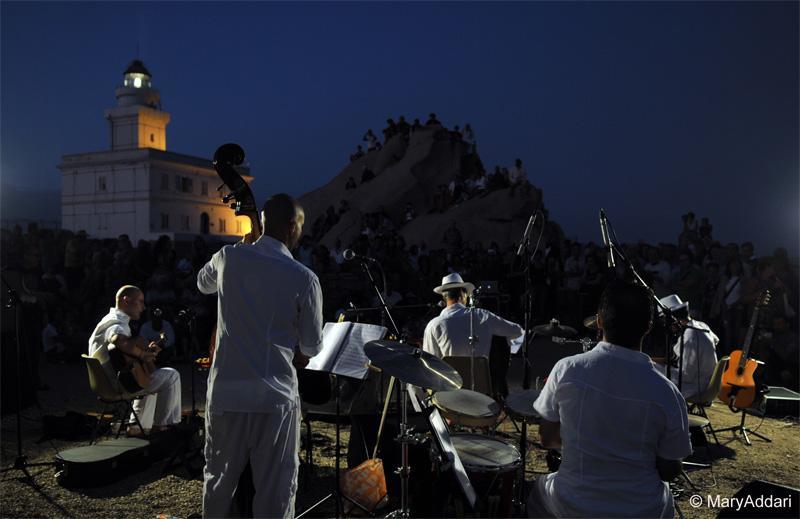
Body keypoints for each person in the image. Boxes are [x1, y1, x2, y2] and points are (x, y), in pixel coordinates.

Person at [197, 193, 323, 519]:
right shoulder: (304, 278)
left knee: (218, 480)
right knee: (276, 487)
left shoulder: (228, 257)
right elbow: (311, 347)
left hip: (226, 393)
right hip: (274, 397)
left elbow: (203, 283)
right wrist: (300, 352)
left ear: (262, 222)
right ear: (294, 227)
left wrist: (239, 249)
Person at [528, 280, 691, 518]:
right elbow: (669, 470)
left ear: (600, 321)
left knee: (537, 493)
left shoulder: (567, 369)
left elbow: (548, 437)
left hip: (572, 503)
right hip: (642, 510)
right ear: (648, 326)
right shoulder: (668, 392)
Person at [88, 285, 182, 436]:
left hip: (109, 382)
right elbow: (118, 339)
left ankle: (138, 428)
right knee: (171, 375)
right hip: (117, 384)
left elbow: (121, 353)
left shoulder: (107, 320)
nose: (143, 307)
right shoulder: (116, 322)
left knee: (148, 378)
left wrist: (143, 351)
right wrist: (143, 355)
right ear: (126, 300)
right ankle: (164, 428)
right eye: (140, 302)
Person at [422, 273, 523, 359]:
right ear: (463, 294)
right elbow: (518, 331)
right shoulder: (483, 315)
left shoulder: (433, 325)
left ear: (444, 297)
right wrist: (509, 352)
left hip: (451, 382)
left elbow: (431, 362)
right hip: (481, 380)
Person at [657, 294, 719, 400]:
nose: (664, 325)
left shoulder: (690, 338)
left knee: (650, 373)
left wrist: (657, 367)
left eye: (664, 320)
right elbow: (716, 340)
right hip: (703, 381)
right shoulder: (701, 325)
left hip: (695, 387)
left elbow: (686, 376)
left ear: (673, 319)